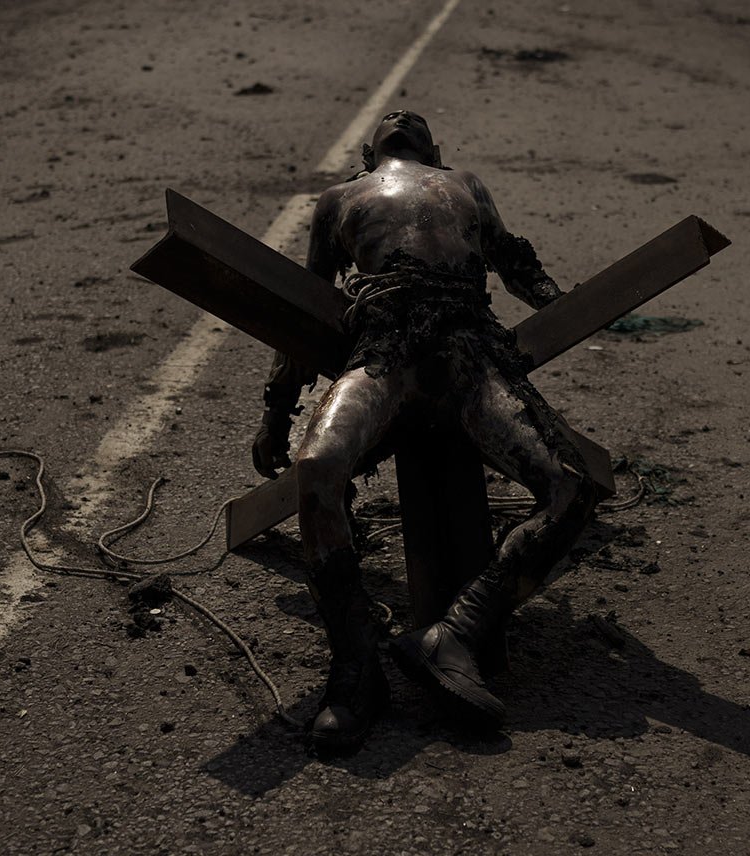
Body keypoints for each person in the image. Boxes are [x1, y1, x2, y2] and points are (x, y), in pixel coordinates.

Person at [251, 111, 600, 754]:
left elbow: (516, 263)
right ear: (365, 156)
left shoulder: (465, 184)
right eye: (390, 122)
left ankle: (458, 632)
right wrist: (277, 409)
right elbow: (304, 309)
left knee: (569, 487)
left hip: (469, 350)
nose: (399, 121)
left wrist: (568, 302)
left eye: (412, 123)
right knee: (319, 467)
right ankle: (356, 668)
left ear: (436, 151)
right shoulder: (340, 199)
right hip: (384, 347)